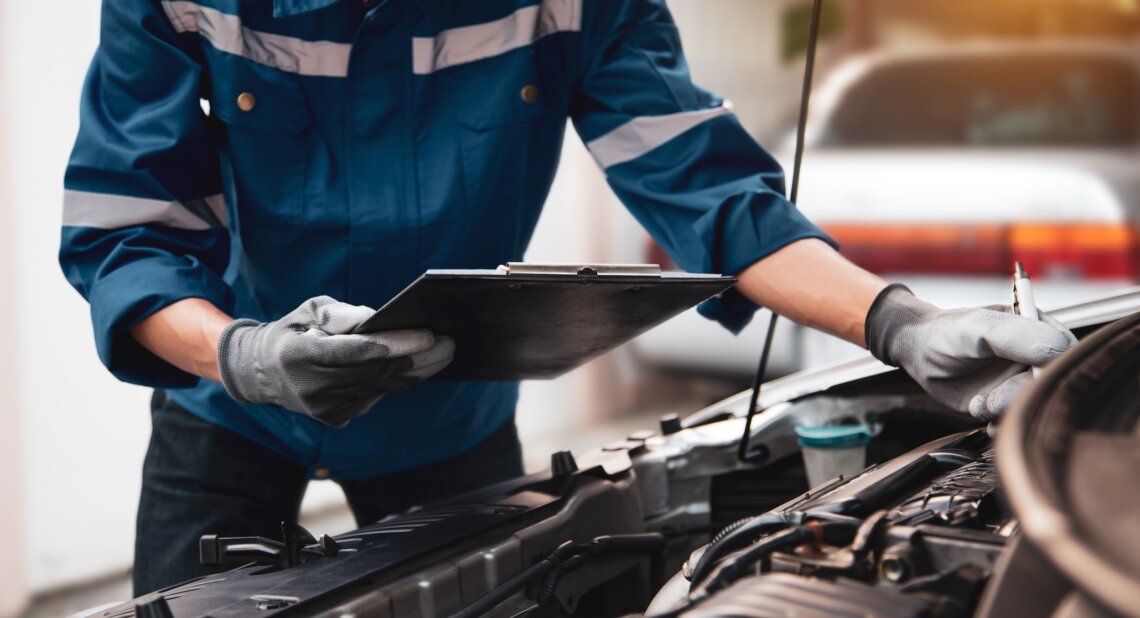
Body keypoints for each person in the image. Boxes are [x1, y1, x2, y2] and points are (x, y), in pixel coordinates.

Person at [60, 0, 1072, 595]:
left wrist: (902, 324)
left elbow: (711, 193)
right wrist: (243, 357)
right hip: (227, 419)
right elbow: (126, 233)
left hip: (451, 422)